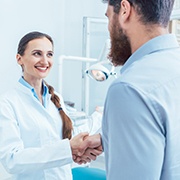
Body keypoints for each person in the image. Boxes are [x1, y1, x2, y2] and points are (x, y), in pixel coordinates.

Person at [76, 0, 180, 179]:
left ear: (125, 10)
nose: (109, 28)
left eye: (109, 17)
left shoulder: (129, 89)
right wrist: (109, 138)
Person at [0, 31, 102, 180]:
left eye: (49, 54)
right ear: (19, 59)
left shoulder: (56, 97)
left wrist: (98, 117)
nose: (45, 61)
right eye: (37, 54)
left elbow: (68, 136)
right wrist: (68, 149)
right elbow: (12, 160)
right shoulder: (7, 103)